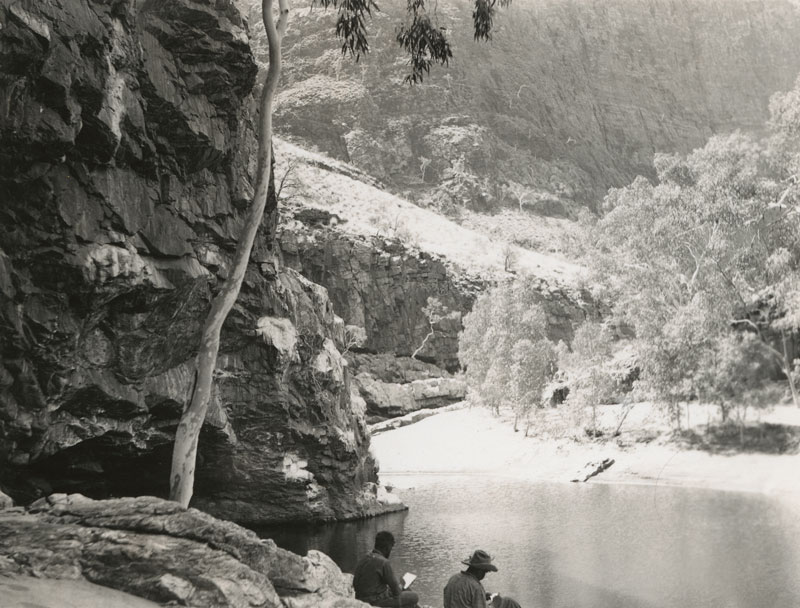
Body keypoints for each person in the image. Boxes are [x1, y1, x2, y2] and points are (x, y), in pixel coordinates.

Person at [353, 531, 420, 607]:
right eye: (391, 548)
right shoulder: (384, 562)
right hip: (375, 602)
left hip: (360, 599)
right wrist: (402, 586)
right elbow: (397, 592)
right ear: (387, 547)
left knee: (397, 590)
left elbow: (356, 584)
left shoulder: (364, 558)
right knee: (414, 596)